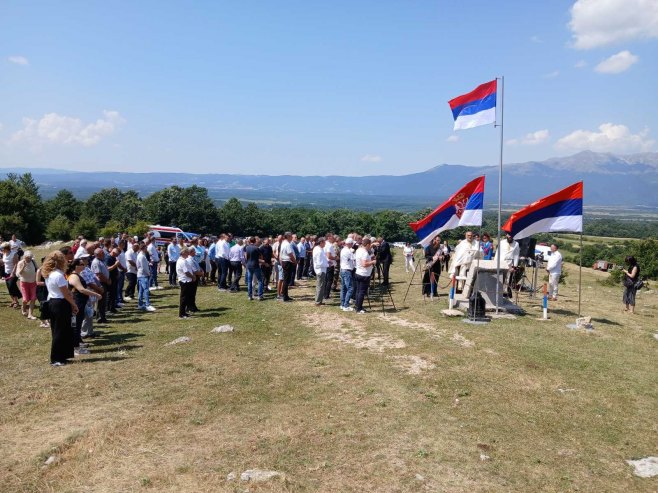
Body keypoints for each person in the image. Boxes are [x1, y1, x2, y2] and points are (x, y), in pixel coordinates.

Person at [42, 251, 78, 367]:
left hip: (54, 302)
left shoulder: (50, 274)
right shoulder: (58, 275)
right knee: (59, 331)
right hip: (60, 303)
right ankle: (56, 358)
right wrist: (74, 304)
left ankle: (62, 355)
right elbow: (66, 293)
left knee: (61, 330)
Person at [67, 259, 98, 355]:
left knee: (78, 324)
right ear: (76, 266)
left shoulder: (78, 275)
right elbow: (81, 289)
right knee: (75, 325)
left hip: (81, 303)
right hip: (77, 303)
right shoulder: (74, 276)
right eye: (81, 264)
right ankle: (75, 348)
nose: (84, 265)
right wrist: (96, 294)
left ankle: (77, 344)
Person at [354, 238, 377, 314]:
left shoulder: (359, 250)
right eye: (370, 245)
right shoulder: (364, 252)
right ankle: (359, 308)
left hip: (358, 272)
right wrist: (373, 262)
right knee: (362, 292)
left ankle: (357, 306)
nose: (370, 246)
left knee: (358, 291)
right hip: (364, 274)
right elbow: (364, 264)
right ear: (367, 244)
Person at [497, 232, 520, 298]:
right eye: (508, 236)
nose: (509, 237)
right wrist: (495, 263)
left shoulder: (516, 244)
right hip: (501, 263)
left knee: (507, 280)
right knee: (499, 279)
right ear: (506, 235)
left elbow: (516, 255)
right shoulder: (502, 242)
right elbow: (498, 253)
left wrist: (514, 267)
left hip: (509, 264)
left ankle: (504, 294)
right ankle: (497, 292)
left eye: (511, 236)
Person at [17, 250, 38, 319]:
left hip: (33, 282)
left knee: (33, 298)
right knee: (25, 299)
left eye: (30, 257)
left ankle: (30, 314)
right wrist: (23, 267)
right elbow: (18, 274)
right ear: (24, 257)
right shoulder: (20, 262)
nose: (28, 259)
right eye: (27, 258)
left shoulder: (33, 261)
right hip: (24, 283)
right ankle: (23, 308)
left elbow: (37, 269)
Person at [136, 243, 156, 312]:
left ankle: (140, 304)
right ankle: (148, 304)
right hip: (143, 275)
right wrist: (149, 273)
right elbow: (144, 267)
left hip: (140, 274)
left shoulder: (141, 255)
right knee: (146, 290)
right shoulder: (141, 256)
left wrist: (148, 263)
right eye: (146, 248)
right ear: (143, 248)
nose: (147, 249)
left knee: (141, 291)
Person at [245, 237, 265, 301]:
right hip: (255, 265)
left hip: (249, 265)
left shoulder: (247, 247)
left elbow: (245, 257)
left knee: (249, 281)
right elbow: (261, 257)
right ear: (255, 241)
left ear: (250, 241)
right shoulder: (257, 248)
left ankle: (250, 296)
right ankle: (260, 295)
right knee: (260, 280)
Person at [176, 247, 194, 318]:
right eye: (187, 252)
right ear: (183, 253)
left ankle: (184, 312)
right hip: (184, 280)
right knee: (183, 297)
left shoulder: (183, 260)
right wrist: (193, 276)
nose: (188, 254)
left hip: (186, 280)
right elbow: (186, 272)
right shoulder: (182, 261)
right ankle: (181, 314)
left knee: (186, 297)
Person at [2, 242, 21, 308]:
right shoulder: (4, 254)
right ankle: (13, 301)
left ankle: (16, 301)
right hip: (6, 272)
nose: (1, 249)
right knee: (9, 287)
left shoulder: (14, 254)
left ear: (6, 248)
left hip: (13, 273)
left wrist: (13, 272)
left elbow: (16, 264)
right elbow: (4, 262)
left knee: (11, 285)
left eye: (2, 248)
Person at [279, 232, 296, 302]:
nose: (292, 238)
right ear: (288, 237)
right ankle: (284, 296)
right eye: (291, 236)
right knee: (286, 280)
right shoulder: (287, 244)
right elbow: (290, 254)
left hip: (285, 262)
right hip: (288, 262)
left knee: (286, 279)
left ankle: (285, 295)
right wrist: (294, 261)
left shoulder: (283, 243)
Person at [339, 238, 355, 311]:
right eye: (351, 244)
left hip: (342, 269)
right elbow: (353, 259)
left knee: (343, 288)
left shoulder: (343, 250)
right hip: (347, 270)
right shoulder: (348, 251)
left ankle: (342, 304)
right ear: (349, 244)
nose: (352, 245)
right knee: (350, 288)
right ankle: (346, 305)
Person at [313, 237, 328, 305]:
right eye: (324, 242)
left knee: (320, 285)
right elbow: (319, 263)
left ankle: (319, 300)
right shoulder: (318, 250)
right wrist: (328, 265)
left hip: (321, 269)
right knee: (320, 286)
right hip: (320, 270)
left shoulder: (318, 248)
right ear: (321, 242)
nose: (325, 243)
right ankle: (318, 301)